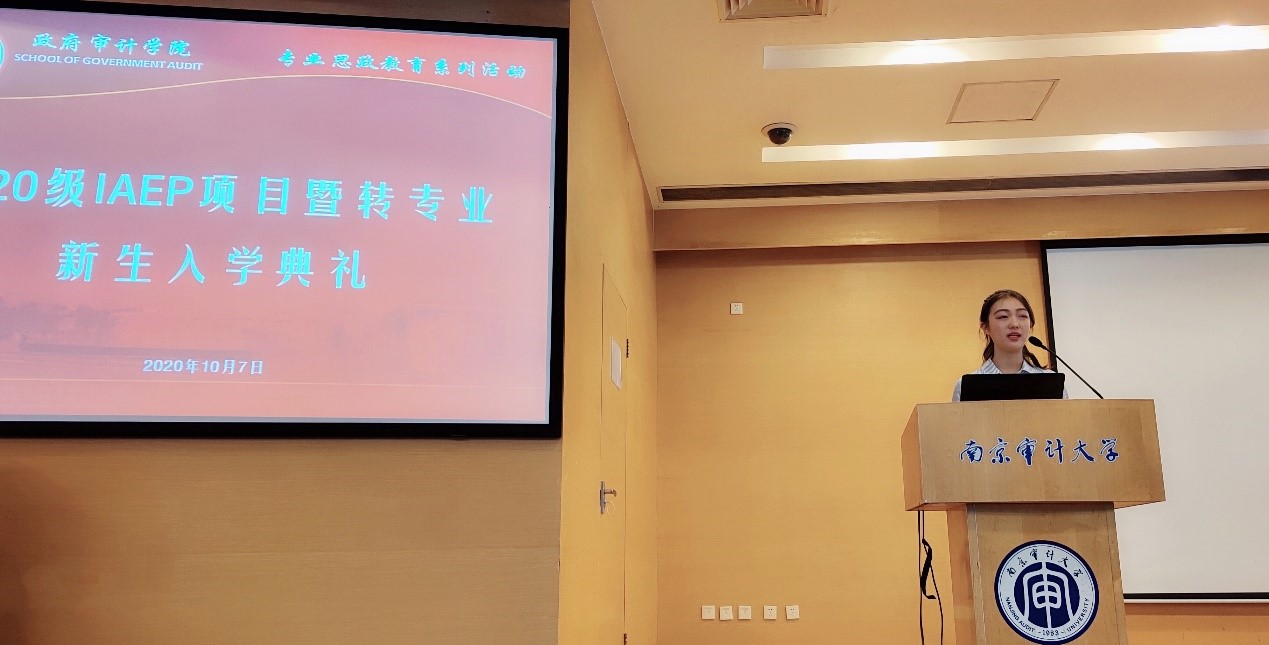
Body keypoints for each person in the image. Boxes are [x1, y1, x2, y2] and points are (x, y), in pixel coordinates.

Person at [952, 289, 1063, 402]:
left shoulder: (1051, 382)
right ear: (986, 327)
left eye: (1022, 316)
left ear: (1030, 324)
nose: (1014, 324)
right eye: (1003, 316)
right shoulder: (966, 386)